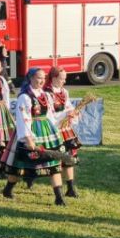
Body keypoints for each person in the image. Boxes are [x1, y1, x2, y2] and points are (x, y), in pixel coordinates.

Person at [1, 67, 67, 205]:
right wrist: (28, 138)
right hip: (31, 132)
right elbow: (23, 118)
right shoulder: (25, 97)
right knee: (20, 166)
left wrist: (64, 119)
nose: (42, 81)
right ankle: (8, 189)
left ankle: (59, 198)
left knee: (53, 164)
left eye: (43, 78)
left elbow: (50, 115)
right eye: (38, 78)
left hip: (46, 131)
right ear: (30, 78)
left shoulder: (45, 95)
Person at [44, 67, 81, 198]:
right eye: (61, 79)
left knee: (69, 158)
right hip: (54, 129)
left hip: (65, 129)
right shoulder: (47, 93)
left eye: (65, 79)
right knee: (55, 160)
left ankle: (70, 188)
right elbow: (48, 114)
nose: (64, 81)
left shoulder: (64, 91)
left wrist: (73, 112)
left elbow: (68, 106)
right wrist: (65, 115)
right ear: (53, 78)